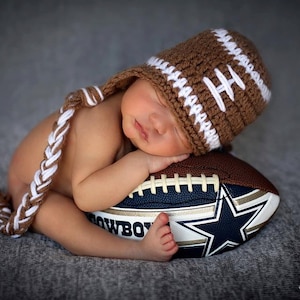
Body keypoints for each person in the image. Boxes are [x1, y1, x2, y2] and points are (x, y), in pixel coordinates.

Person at [1, 28, 271, 261]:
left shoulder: (140, 124)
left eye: (178, 131)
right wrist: (141, 162)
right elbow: (85, 196)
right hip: (30, 186)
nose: (157, 123)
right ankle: (133, 251)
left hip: (77, 181)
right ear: (142, 76)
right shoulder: (100, 123)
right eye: (162, 100)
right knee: (56, 216)